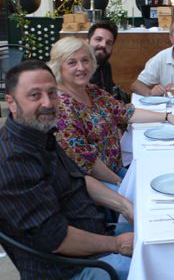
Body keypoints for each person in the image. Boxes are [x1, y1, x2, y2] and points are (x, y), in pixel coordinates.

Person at [0, 60, 134, 280]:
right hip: (69, 268)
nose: (48, 103)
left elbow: (80, 178)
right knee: (167, 272)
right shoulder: (12, 160)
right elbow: (55, 238)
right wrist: (117, 244)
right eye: (35, 95)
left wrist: (126, 205)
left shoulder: (41, 134)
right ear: (11, 103)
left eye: (52, 93)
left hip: (98, 234)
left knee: (166, 239)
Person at [48, 36, 174, 188]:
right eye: (72, 62)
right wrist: (122, 183)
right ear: (58, 67)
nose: (81, 67)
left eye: (85, 60)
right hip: (95, 183)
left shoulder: (92, 91)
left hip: (116, 170)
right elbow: (87, 162)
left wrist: (166, 116)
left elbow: (125, 112)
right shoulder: (62, 107)